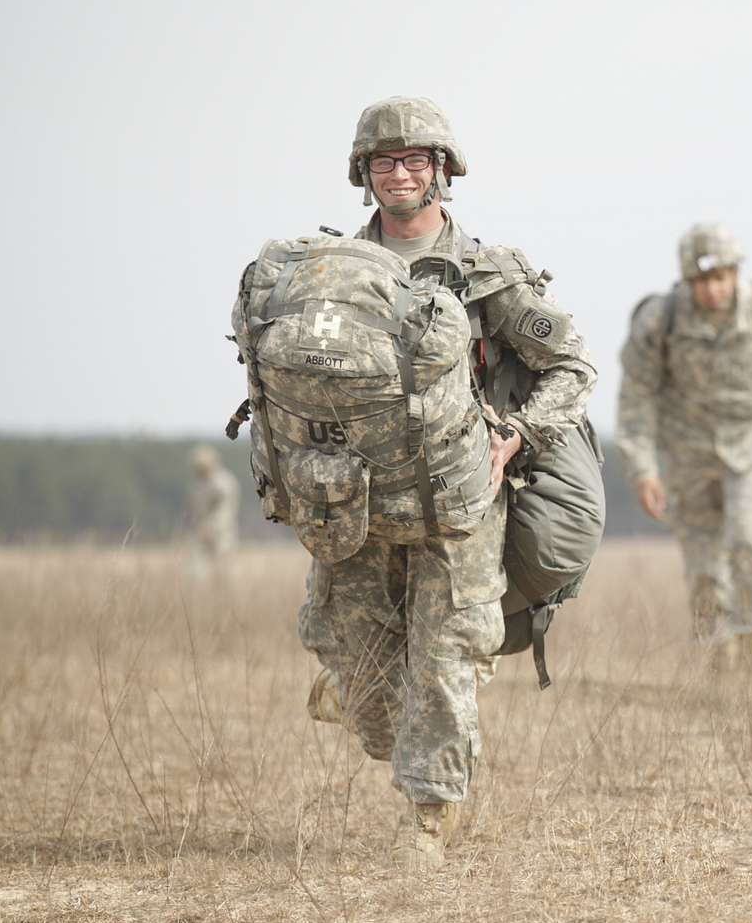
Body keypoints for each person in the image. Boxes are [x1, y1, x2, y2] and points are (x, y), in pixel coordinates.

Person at [246, 96, 601, 871]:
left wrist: (516, 435)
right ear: (363, 176)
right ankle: (358, 700)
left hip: (458, 504)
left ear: (442, 171)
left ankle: (427, 825)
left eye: (414, 161)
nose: (400, 174)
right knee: (366, 681)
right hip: (357, 507)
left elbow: (572, 366)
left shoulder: (486, 274)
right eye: (384, 162)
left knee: (444, 658)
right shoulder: (323, 274)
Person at [617, 222, 752, 669]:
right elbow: (636, 397)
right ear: (687, 281)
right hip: (687, 455)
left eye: (720, 278)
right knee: (705, 574)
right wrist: (642, 469)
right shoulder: (661, 321)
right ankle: (717, 667)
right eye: (701, 281)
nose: (712, 290)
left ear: (735, 273)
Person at [185, 445, 238, 574]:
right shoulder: (198, 483)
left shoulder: (223, 481)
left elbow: (223, 502)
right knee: (196, 569)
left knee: (224, 567)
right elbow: (193, 506)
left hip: (221, 529)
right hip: (200, 529)